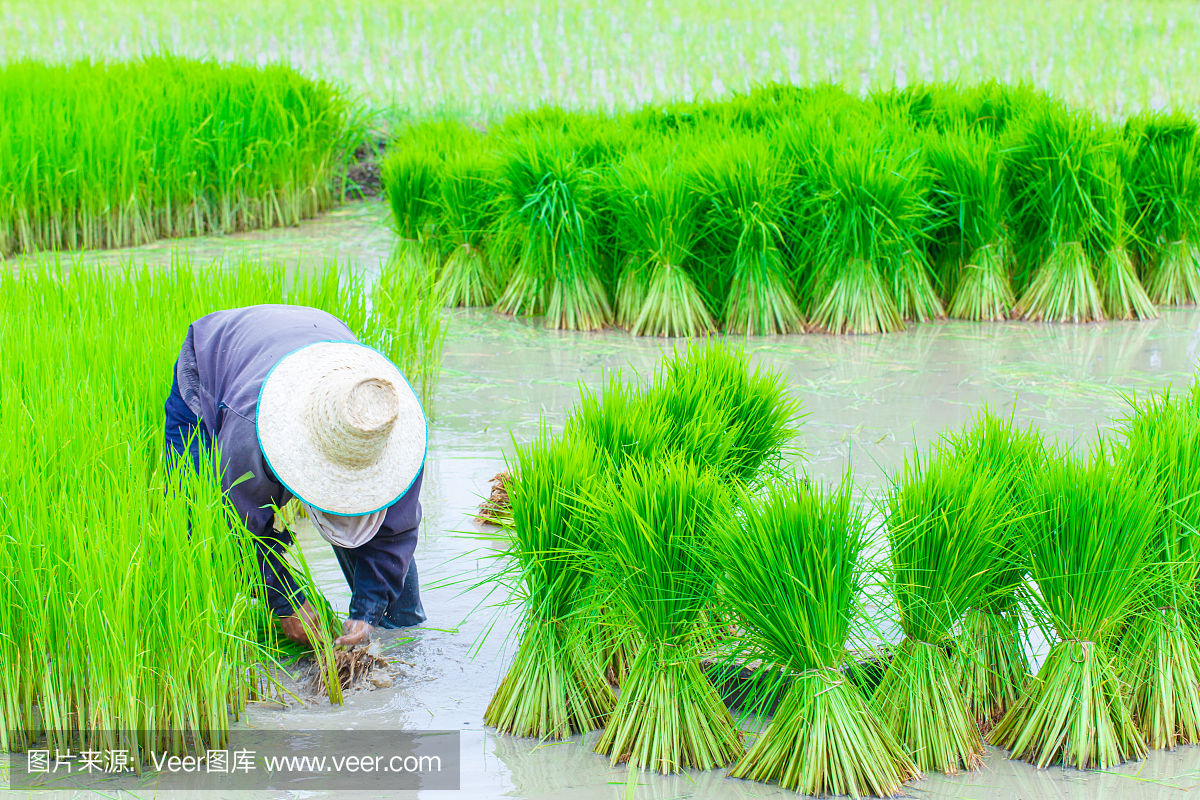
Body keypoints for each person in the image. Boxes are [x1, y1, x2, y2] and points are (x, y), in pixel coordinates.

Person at [164, 304, 427, 647]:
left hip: (321, 342)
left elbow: (395, 533)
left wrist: (368, 612)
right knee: (195, 520)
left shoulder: (392, 430)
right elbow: (232, 528)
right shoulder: (251, 431)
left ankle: (404, 635)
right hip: (218, 355)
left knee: (394, 613)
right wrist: (286, 602)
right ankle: (210, 641)